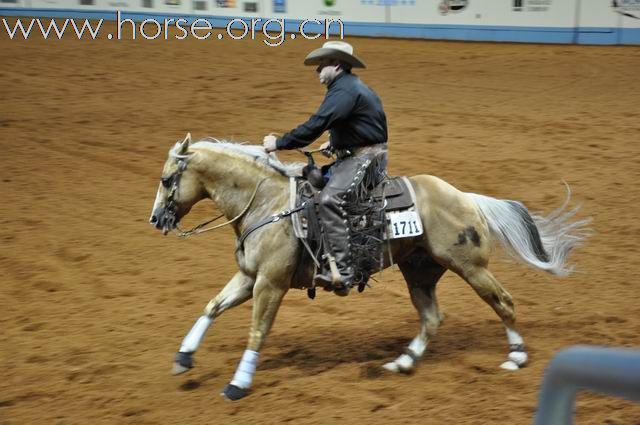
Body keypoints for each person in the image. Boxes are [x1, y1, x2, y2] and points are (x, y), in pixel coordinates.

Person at [263, 41, 388, 295]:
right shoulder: (347, 88)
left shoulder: (345, 91)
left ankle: (343, 270)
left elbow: (317, 124)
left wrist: (279, 142)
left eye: (322, 64)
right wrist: (336, 142)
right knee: (312, 182)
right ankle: (323, 256)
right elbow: (362, 123)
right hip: (357, 154)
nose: (317, 69)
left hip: (366, 159)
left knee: (331, 199)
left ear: (337, 65)